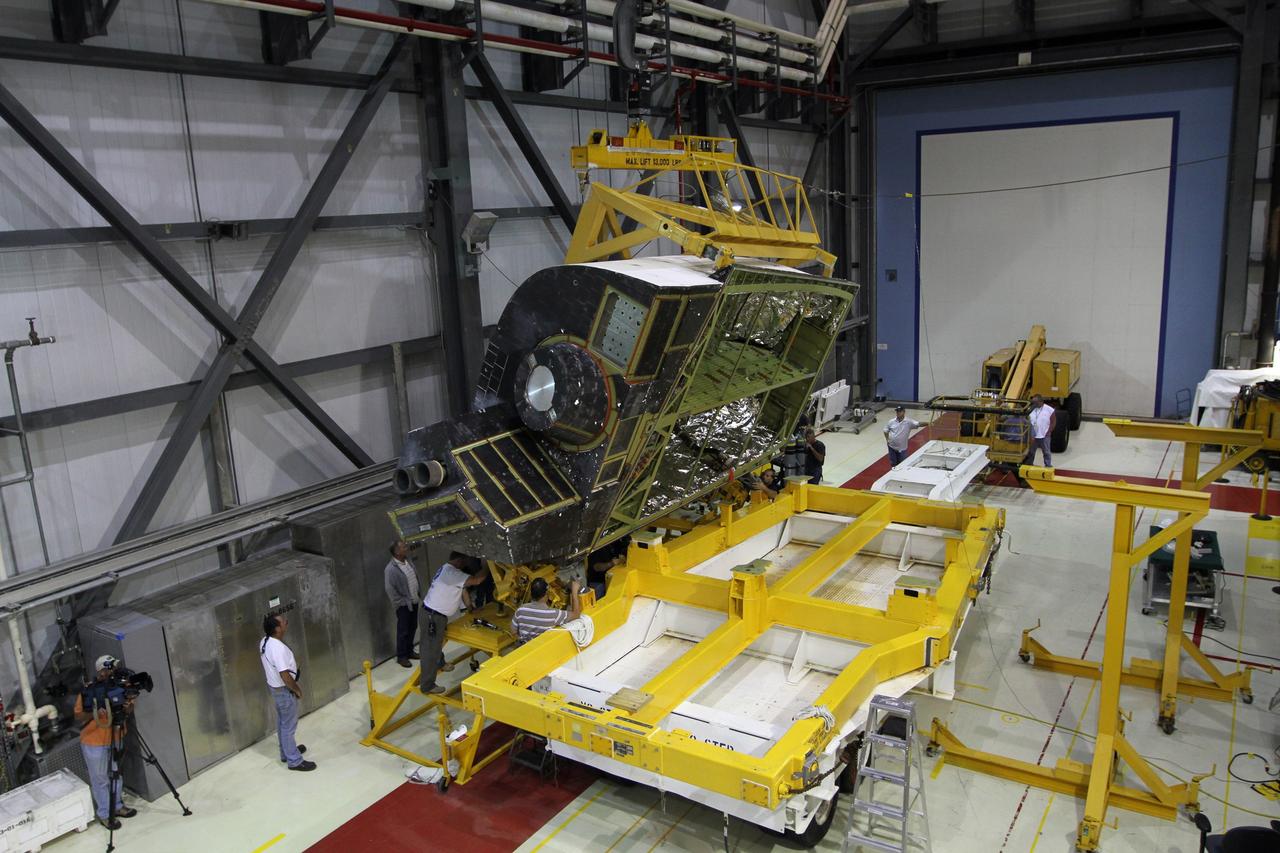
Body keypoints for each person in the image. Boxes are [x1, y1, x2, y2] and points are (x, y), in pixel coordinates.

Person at [75, 655, 137, 828]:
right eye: (109, 668)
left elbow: (130, 708)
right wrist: (98, 707)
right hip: (94, 741)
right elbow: (78, 716)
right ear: (101, 671)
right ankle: (104, 813)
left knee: (116, 773)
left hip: (116, 736)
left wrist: (127, 706)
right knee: (101, 778)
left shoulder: (120, 687)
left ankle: (117, 806)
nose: (112, 671)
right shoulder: (89, 690)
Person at [419, 553, 490, 695]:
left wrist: (471, 608)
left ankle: (440, 663)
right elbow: (476, 581)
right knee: (429, 650)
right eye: (464, 562)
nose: (466, 564)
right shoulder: (452, 573)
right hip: (433, 617)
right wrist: (488, 565)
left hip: (435, 614)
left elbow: (462, 590)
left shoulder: (449, 570)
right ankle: (427, 685)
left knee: (436, 643)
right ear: (458, 560)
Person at [260, 614, 315, 772]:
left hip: (275, 688)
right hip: (284, 690)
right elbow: (284, 675)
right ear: (277, 628)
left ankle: (287, 752)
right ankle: (294, 761)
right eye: (284, 622)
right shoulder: (277, 649)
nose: (286, 623)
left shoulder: (265, 641)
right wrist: (296, 689)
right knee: (288, 726)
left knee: (283, 722)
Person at [383, 540, 421, 668]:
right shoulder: (390, 569)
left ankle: (410, 651)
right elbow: (390, 589)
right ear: (396, 551)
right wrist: (401, 603)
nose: (406, 548)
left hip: (414, 601)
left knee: (413, 627)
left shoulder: (408, 561)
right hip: (404, 605)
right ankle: (402, 656)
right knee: (403, 630)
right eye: (403, 547)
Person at [512, 578, 582, 644]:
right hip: (543, 650)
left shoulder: (520, 609)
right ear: (546, 594)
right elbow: (576, 615)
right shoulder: (553, 614)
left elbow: (514, 632)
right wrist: (574, 592)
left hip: (525, 648)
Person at [1025, 395, 1057, 467]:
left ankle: (1048, 465)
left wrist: (1049, 431)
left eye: (1036, 402)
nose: (1034, 404)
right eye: (1033, 402)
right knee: (1031, 452)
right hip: (1033, 436)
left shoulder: (1049, 410)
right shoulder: (1031, 408)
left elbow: (1053, 422)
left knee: (1046, 452)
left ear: (1041, 401)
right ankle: (1029, 464)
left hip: (1044, 435)